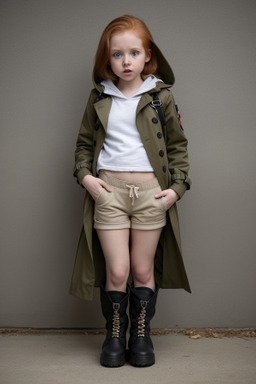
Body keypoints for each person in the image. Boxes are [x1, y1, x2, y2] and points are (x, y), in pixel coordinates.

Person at [70, 15, 191, 368]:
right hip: (109, 193)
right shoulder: (99, 98)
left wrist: (176, 189)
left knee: (141, 270)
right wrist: (87, 179)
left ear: (147, 56)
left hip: (152, 194)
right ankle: (114, 335)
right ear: (106, 60)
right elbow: (83, 146)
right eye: (117, 54)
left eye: (133, 53)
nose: (126, 61)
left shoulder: (160, 97)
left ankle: (140, 335)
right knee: (117, 272)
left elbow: (179, 147)